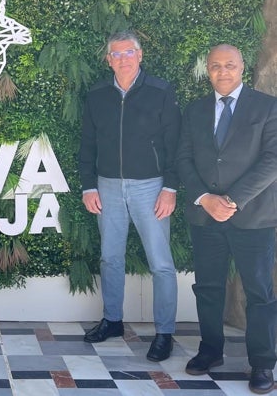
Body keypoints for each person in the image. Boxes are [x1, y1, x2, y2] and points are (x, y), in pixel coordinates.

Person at [176, 44, 277, 394]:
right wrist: (206, 199)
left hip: (254, 218)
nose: (223, 72)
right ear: (208, 69)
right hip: (206, 218)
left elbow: (272, 161)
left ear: (242, 67)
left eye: (229, 65)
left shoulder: (267, 107)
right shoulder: (194, 111)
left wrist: (231, 200)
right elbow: (183, 159)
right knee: (208, 287)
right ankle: (210, 351)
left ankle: (263, 364)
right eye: (216, 66)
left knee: (259, 293)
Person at [78, 30, 181, 362]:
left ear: (140, 55)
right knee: (110, 258)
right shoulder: (97, 96)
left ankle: (164, 332)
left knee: (161, 263)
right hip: (107, 186)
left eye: (128, 52)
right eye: (115, 54)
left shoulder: (160, 92)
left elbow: (175, 145)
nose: (122, 59)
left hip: (150, 186)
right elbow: (87, 145)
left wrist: (170, 188)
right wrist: (88, 186)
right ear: (108, 60)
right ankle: (112, 321)